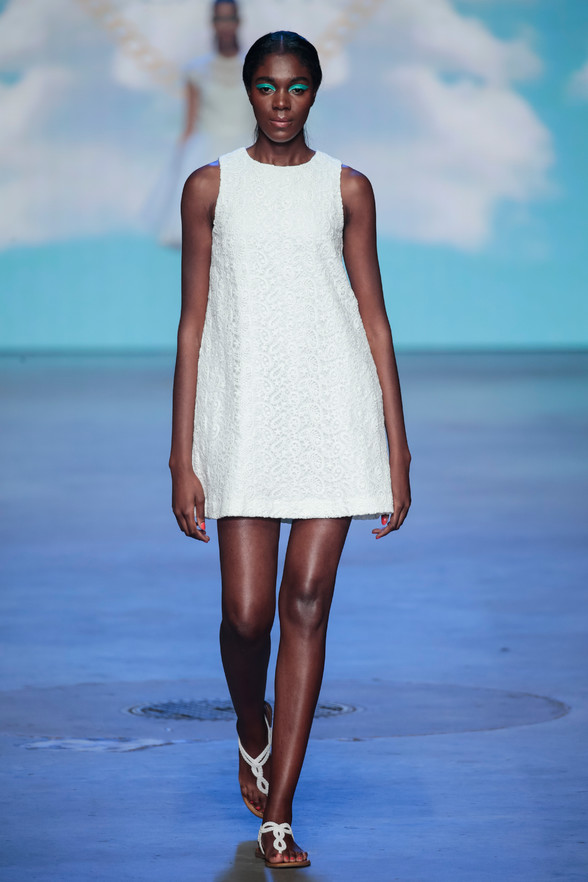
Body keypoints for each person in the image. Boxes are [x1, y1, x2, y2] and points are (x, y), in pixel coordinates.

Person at [169, 30, 411, 869]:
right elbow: (193, 324)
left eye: (297, 86)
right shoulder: (211, 187)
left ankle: (280, 815)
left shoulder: (347, 188)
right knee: (247, 615)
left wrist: (398, 450)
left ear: (315, 92)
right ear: (248, 90)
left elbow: (374, 320)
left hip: (332, 413)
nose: (282, 101)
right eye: (268, 86)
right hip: (242, 416)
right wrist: (181, 455)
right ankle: (252, 726)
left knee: (306, 601)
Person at [146, 0, 254, 246]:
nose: (225, 25)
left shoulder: (256, 68)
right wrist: (178, 167)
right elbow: (189, 125)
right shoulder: (196, 71)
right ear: (212, 23)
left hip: (248, 155)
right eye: (219, 19)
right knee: (209, 236)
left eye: (229, 18)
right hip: (207, 155)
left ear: (238, 21)